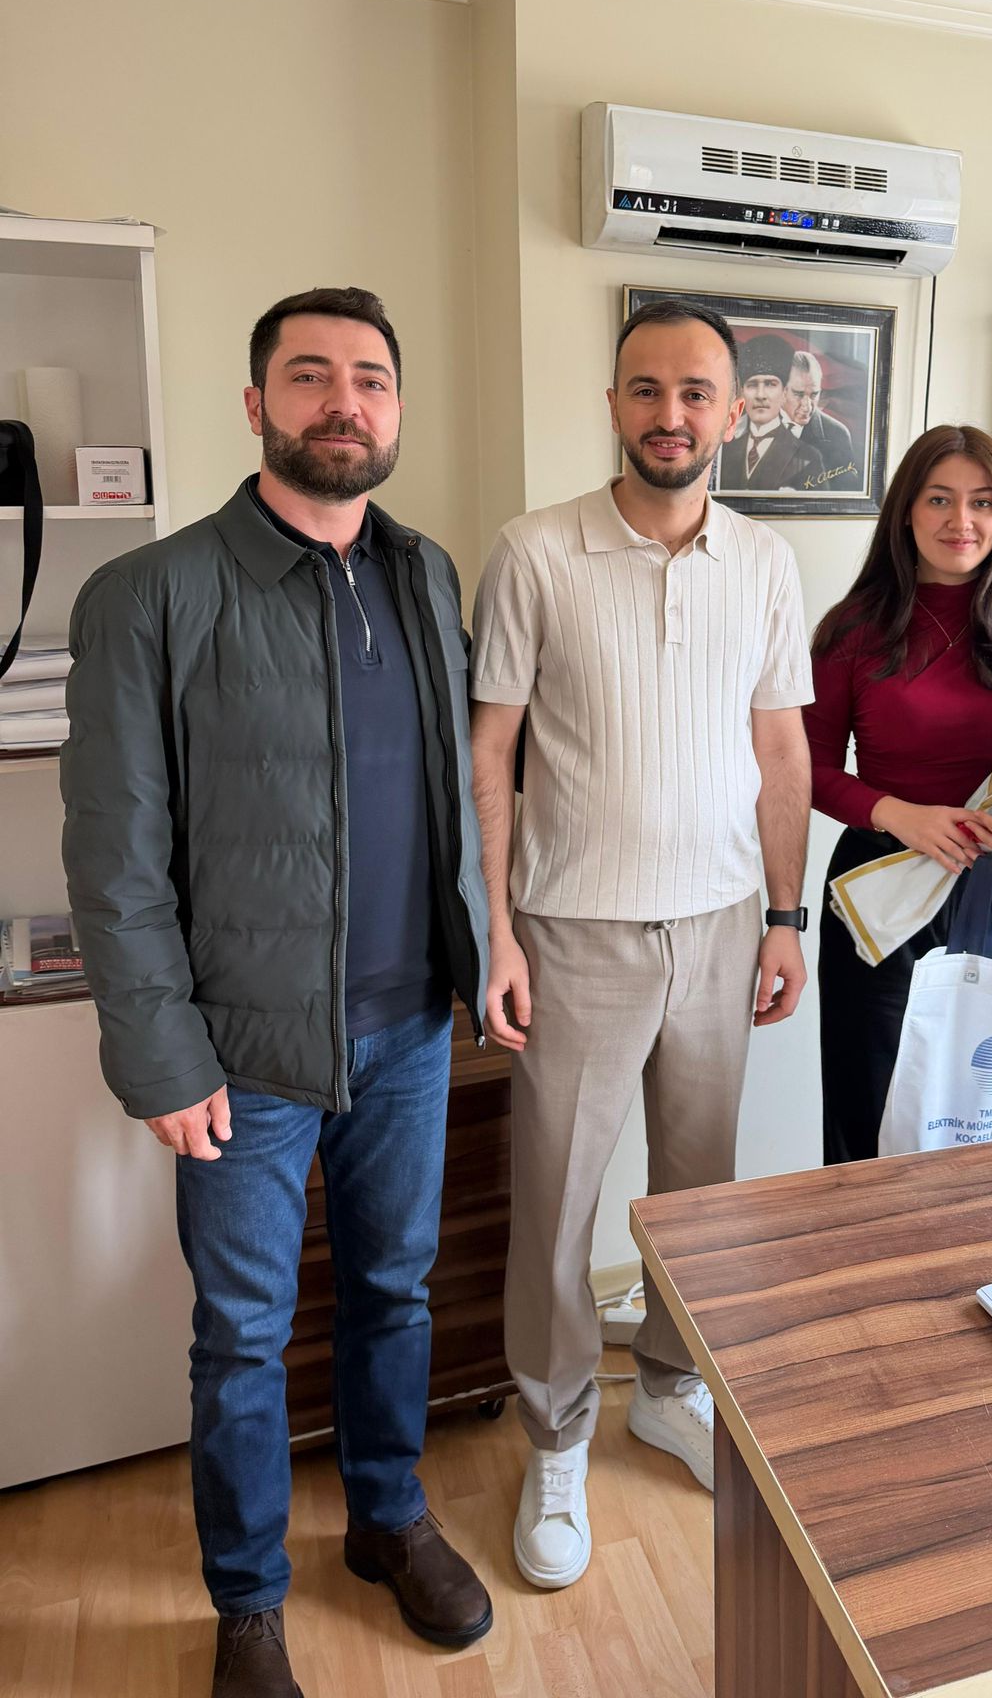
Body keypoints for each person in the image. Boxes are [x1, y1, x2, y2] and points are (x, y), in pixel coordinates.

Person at [60, 289, 493, 1697]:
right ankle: (248, 1600)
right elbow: (114, 854)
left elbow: (451, 798)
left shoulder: (423, 571)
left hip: (410, 1027)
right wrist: (160, 1051)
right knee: (243, 1335)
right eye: (309, 376)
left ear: (396, 408)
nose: (342, 401)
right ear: (256, 404)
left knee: (395, 1291)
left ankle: (387, 1517)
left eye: (370, 378)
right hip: (239, 1053)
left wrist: (483, 951)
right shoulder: (152, 594)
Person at [469, 297, 813, 1591]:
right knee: (558, 1201)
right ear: (614, 403)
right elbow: (490, 751)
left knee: (700, 1193)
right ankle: (557, 1435)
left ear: (733, 411)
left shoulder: (765, 561)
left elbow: (781, 747)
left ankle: (670, 1387)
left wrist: (784, 915)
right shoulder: (536, 550)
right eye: (648, 389)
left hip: (723, 924)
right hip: (574, 931)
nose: (672, 414)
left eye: (696, 392)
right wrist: (497, 928)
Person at [806, 425, 992, 1164]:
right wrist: (894, 813)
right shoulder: (853, 631)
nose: (960, 521)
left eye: (981, 503)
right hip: (882, 891)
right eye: (938, 499)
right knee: (872, 1113)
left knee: (991, 1116)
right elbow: (803, 767)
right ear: (906, 511)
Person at [715, 331, 825, 490]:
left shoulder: (808, 457)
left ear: (784, 392)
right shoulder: (724, 452)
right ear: (743, 392)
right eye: (752, 385)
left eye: (770, 384)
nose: (760, 395)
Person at [784, 348, 861, 492]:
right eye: (798, 394)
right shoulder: (757, 425)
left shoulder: (838, 434)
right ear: (782, 390)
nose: (807, 406)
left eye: (814, 395)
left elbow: (845, 494)